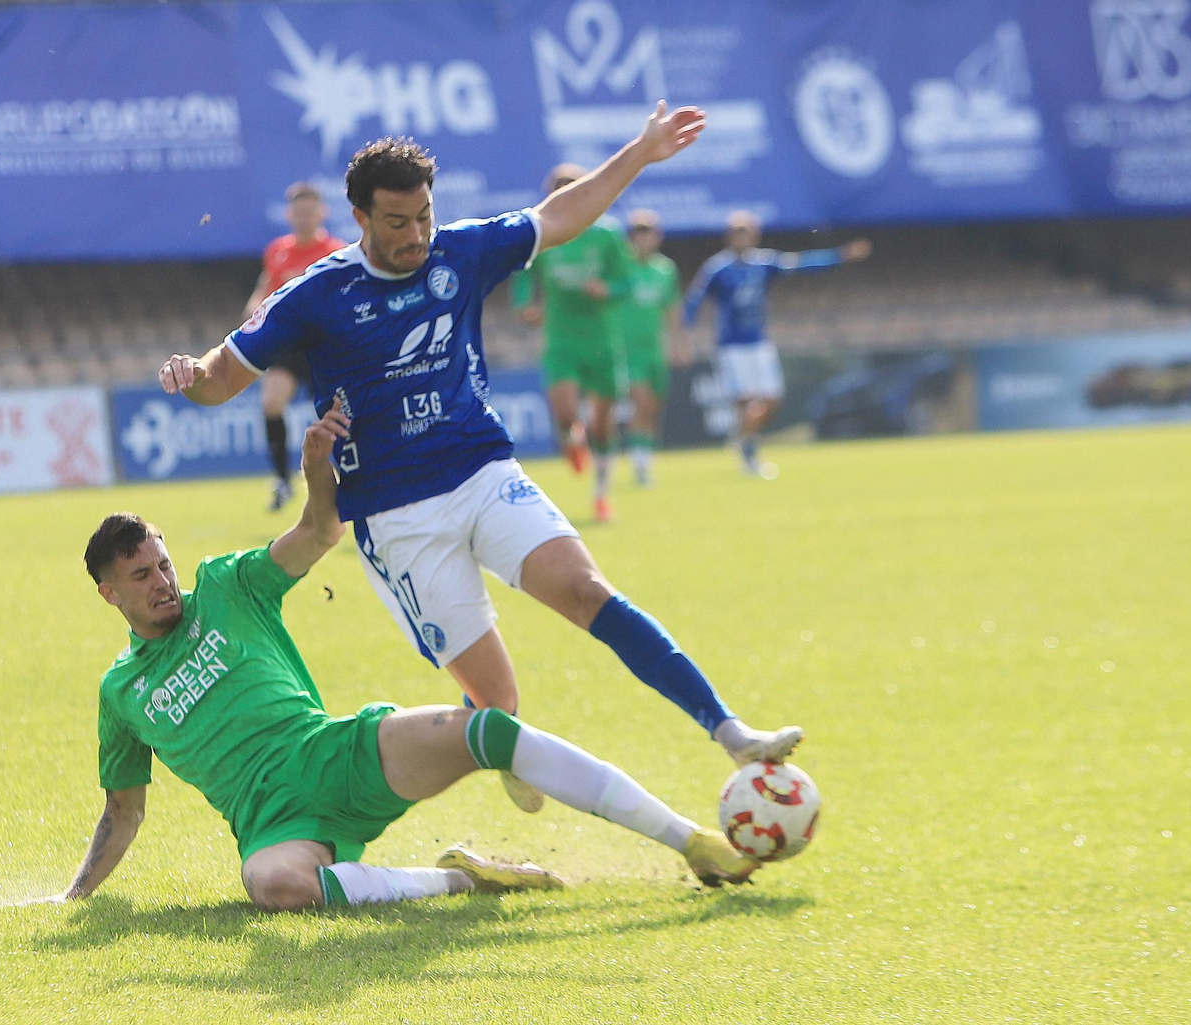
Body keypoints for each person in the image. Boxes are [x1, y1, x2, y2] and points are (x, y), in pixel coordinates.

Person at [158, 103, 803, 818]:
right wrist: (193, 375)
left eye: (425, 216)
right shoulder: (317, 294)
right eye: (398, 223)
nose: (417, 235)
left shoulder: (461, 251)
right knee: (499, 705)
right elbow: (225, 375)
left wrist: (640, 153)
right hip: (397, 515)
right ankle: (499, 739)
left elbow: (559, 216)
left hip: (483, 470)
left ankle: (730, 728)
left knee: (587, 590)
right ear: (360, 217)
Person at [40, 409, 762, 910]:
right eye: (142, 577)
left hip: (340, 752)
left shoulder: (228, 586)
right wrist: (76, 896)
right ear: (109, 593)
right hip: (272, 820)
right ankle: (459, 881)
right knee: (274, 886)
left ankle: (691, 840)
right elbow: (124, 811)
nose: (164, 582)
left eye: (164, 564)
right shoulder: (120, 691)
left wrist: (316, 471)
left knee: (489, 728)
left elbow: (321, 530)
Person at [683, 211, 871, 476]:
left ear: (754, 235)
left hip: (759, 343)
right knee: (745, 400)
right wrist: (684, 335)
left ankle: (741, 437)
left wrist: (840, 256)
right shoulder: (718, 269)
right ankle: (748, 454)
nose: (741, 237)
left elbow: (804, 264)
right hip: (732, 346)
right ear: (729, 237)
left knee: (771, 399)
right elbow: (694, 300)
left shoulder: (764, 263)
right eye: (736, 232)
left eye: (745, 231)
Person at [511, 163, 630, 522]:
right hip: (561, 338)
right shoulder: (543, 233)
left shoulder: (607, 234)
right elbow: (523, 275)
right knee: (564, 415)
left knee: (603, 424)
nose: (565, 192)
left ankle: (601, 493)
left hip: (601, 340)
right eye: (558, 187)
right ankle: (573, 440)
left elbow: (626, 282)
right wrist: (524, 305)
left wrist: (606, 289)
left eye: (572, 186)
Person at [242, 182, 347, 511]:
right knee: (272, 404)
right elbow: (266, 286)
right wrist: (253, 311)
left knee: (338, 416)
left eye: (309, 211)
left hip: (323, 346)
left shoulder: (337, 250)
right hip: (289, 346)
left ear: (322, 213)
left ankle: (352, 476)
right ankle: (282, 481)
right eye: (298, 212)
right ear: (289, 215)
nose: (303, 217)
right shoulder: (277, 250)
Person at [614, 209, 681, 487]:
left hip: (655, 349)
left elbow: (671, 309)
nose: (643, 240)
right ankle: (639, 464)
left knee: (653, 407)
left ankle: (645, 458)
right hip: (627, 350)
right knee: (639, 402)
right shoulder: (621, 267)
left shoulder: (665, 270)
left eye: (648, 233)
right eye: (638, 234)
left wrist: (679, 343)